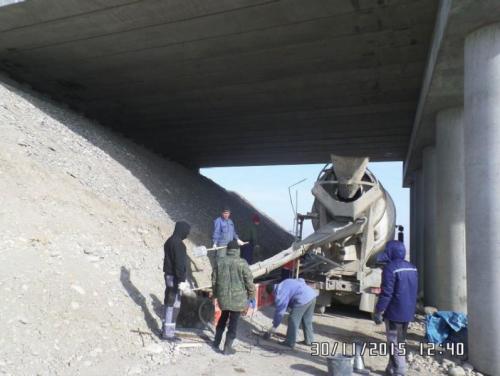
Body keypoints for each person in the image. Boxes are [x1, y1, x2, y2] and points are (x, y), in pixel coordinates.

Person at [373, 240, 418, 376]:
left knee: (394, 343)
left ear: (390, 252)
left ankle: (399, 371)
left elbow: (386, 293)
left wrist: (379, 311)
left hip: (394, 313)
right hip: (408, 312)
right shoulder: (412, 267)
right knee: (400, 341)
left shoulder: (390, 269)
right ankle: (391, 369)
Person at [211, 240, 255, 354]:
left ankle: (216, 342)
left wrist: (215, 295)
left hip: (223, 298)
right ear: (237, 250)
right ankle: (227, 347)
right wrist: (251, 296)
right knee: (233, 322)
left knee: (223, 317)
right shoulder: (242, 263)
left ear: (228, 250)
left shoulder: (219, 262)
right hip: (238, 299)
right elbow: (249, 281)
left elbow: (214, 280)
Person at [264, 278, 318, 348]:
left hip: (303, 299)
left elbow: (280, 312)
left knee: (293, 319)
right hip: (312, 295)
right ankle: (309, 341)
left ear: (272, 292)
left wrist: (274, 326)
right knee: (307, 320)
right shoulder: (284, 282)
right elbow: (301, 280)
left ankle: (290, 342)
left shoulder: (280, 293)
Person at [162, 221, 191, 341]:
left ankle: (165, 330)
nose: (187, 234)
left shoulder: (169, 241)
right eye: (187, 232)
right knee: (173, 305)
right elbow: (179, 265)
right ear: (182, 230)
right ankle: (168, 334)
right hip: (175, 278)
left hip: (168, 275)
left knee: (169, 301)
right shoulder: (179, 245)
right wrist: (182, 281)